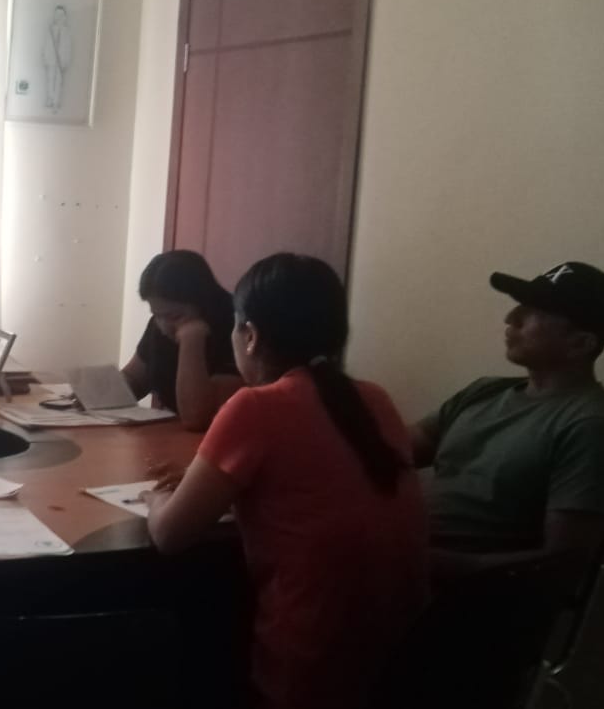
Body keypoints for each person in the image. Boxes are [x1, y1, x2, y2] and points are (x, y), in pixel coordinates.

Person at [145, 253, 428, 709]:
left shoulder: (255, 406)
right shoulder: (374, 398)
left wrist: (157, 497)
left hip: (306, 663)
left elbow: (169, 534)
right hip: (401, 658)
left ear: (250, 335)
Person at [414, 262, 604, 579]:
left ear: (580, 343)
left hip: (461, 592)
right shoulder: (484, 391)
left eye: (533, 312)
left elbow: (562, 561)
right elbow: (387, 450)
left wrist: (435, 565)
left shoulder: (592, 427)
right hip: (399, 560)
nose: (511, 318)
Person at [120, 250, 242, 431]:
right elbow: (135, 378)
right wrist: (95, 394)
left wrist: (191, 340)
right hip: (169, 438)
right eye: (156, 315)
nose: (164, 326)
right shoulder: (159, 324)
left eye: (174, 316)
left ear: (202, 303)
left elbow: (197, 417)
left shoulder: (235, 328)